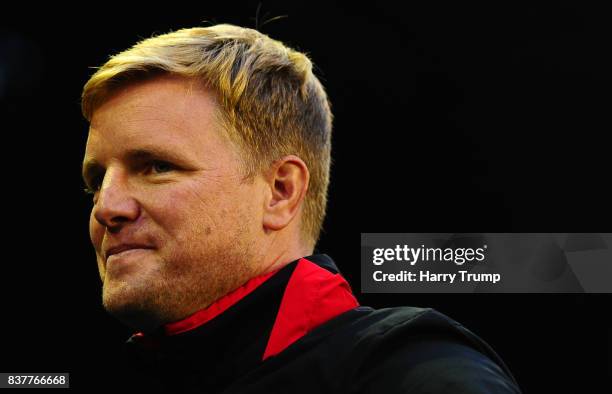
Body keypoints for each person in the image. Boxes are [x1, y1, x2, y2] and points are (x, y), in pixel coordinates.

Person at [81, 24, 521, 393]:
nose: (107, 206)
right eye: (97, 180)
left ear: (280, 192)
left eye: (157, 167)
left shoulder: (408, 371)